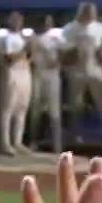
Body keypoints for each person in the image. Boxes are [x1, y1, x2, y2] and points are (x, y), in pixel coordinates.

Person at [61, 2, 102, 142]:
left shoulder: (101, 28)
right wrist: (71, 55)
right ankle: (75, 135)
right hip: (76, 72)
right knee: (75, 105)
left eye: (93, 12)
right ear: (81, 12)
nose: (91, 14)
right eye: (87, 11)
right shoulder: (69, 29)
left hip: (96, 71)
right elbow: (63, 51)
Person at [0, 12, 31, 155]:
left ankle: (17, 142)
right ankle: (4, 143)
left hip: (25, 73)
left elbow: (28, 57)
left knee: (22, 108)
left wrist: (29, 53)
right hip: (11, 74)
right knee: (7, 109)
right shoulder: (6, 38)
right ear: (9, 21)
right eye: (14, 20)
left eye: (20, 20)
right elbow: (8, 59)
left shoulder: (23, 38)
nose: (18, 22)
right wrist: (24, 51)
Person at [29, 15, 64, 153]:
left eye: (49, 22)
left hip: (52, 76)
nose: (46, 24)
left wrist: (58, 61)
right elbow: (28, 54)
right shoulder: (32, 38)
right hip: (37, 75)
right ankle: (33, 142)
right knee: (35, 111)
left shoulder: (56, 37)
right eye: (44, 22)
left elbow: (69, 51)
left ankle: (57, 145)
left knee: (54, 112)